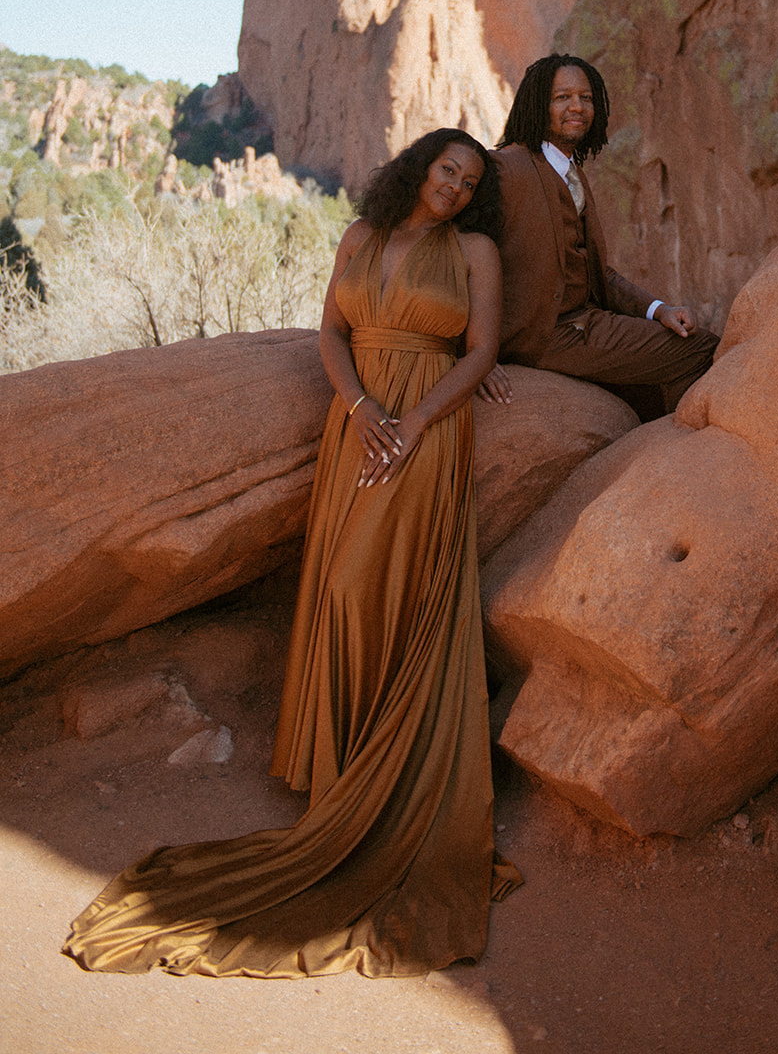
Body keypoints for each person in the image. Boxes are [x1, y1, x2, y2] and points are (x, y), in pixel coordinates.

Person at [64, 129, 520, 980]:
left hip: (424, 431)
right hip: (359, 428)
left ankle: (376, 783)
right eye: (445, 169)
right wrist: (357, 409)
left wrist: (415, 423)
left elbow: (483, 350)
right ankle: (341, 770)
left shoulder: (477, 250)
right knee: (342, 587)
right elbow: (330, 334)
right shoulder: (361, 235)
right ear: (419, 166)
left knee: (373, 587)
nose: (454, 187)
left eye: (468, 181)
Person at [482, 54, 718, 415]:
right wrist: (476, 353)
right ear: (537, 104)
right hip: (548, 334)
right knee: (699, 349)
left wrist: (658, 310)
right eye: (562, 97)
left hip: (584, 323)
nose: (577, 107)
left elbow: (595, 269)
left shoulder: (570, 171)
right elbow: (464, 255)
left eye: (586, 98)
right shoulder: (506, 168)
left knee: (656, 381)